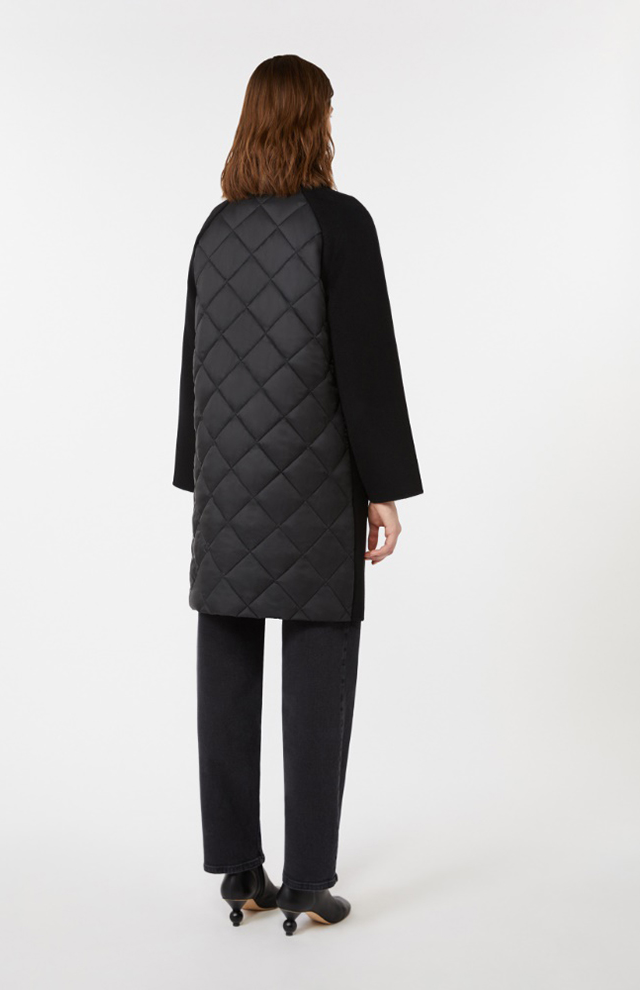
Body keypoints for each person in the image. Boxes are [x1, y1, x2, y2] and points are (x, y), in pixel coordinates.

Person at [172, 54, 423, 935]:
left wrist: (198, 473)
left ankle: (241, 872)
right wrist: (384, 486)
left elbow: (195, 363)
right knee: (319, 662)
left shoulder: (216, 229)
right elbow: (366, 361)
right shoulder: (339, 221)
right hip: (315, 478)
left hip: (227, 480)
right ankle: (309, 880)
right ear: (313, 121)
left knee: (227, 663)